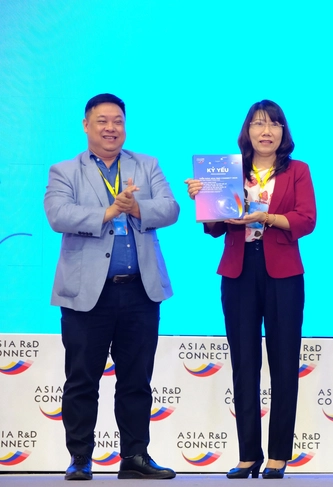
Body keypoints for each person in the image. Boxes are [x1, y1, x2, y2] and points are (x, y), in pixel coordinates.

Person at [44, 93, 179, 481]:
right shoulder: (64, 171)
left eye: (118, 121)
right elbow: (57, 215)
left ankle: (135, 457)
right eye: (102, 121)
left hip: (139, 291)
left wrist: (136, 207)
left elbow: (171, 208)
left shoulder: (146, 165)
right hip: (87, 293)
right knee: (82, 380)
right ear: (86, 125)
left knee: (137, 381)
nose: (111, 128)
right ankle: (80, 458)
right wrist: (109, 211)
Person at [185, 100, 316, 480]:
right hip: (238, 272)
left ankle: (278, 456)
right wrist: (203, 201)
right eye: (258, 124)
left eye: (273, 124)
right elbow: (215, 228)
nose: (266, 131)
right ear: (247, 131)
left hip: (283, 273)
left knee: (284, 363)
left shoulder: (298, 170)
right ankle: (247, 455)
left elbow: (307, 220)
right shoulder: (230, 171)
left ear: (283, 132)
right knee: (244, 364)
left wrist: (267, 217)